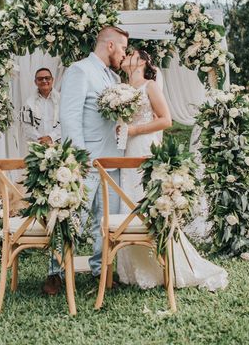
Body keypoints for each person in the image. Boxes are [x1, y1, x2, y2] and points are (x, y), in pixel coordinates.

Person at [118, 49, 229, 292]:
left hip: (144, 147)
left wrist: (134, 130)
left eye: (132, 53)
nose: (126, 56)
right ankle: (134, 270)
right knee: (128, 201)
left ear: (143, 62)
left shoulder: (150, 86)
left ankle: (163, 264)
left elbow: (166, 119)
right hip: (126, 150)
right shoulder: (122, 87)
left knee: (147, 203)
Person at [43, 26, 129, 295]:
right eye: (124, 48)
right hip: (86, 162)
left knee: (105, 223)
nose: (125, 54)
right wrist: (79, 158)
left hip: (112, 162)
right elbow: (69, 117)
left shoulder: (114, 78)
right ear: (111, 45)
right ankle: (55, 272)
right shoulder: (79, 70)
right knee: (71, 218)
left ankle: (99, 270)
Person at [19, 67, 61, 145]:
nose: (44, 81)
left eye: (47, 78)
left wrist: (51, 137)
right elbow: (27, 127)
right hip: (37, 145)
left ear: (52, 80)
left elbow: (65, 123)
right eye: (40, 79)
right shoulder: (29, 103)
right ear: (35, 82)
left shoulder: (62, 100)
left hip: (59, 144)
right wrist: (41, 140)